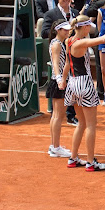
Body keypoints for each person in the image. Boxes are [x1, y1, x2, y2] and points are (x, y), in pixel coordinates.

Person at [61, 15, 105, 171]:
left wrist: (63, 80)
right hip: (84, 83)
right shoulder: (81, 42)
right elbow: (103, 40)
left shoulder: (68, 41)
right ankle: (91, 162)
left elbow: (67, 63)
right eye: (89, 27)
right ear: (84, 27)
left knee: (81, 123)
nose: (90, 29)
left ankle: (73, 158)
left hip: (72, 84)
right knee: (91, 125)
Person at [46, 20, 73, 158]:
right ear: (58, 30)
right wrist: (59, 79)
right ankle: (55, 147)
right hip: (59, 82)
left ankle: (54, 145)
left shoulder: (59, 42)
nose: (67, 31)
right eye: (65, 30)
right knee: (58, 116)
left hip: (58, 81)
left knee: (56, 116)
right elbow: (55, 64)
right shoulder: (57, 44)